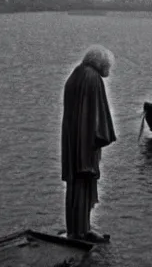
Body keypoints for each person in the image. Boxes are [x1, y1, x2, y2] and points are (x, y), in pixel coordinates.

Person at [61, 45, 117, 242]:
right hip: (85, 144)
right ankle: (82, 232)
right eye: (108, 66)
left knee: (74, 186)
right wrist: (101, 137)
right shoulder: (92, 78)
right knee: (83, 183)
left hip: (72, 141)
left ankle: (75, 230)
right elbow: (97, 116)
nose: (108, 71)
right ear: (101, 63)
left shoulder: (76, 74)